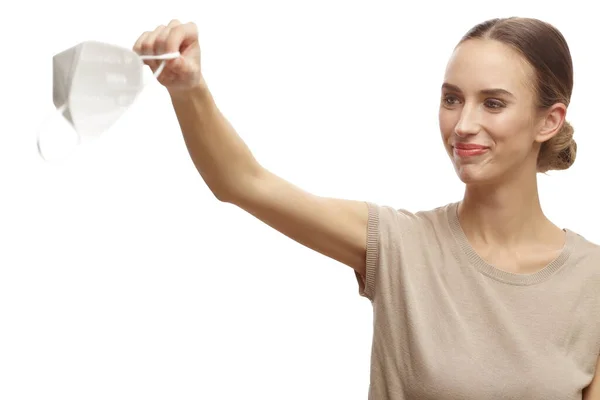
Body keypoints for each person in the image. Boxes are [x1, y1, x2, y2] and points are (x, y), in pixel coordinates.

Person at [133, 17, 600, 399]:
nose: (463, 124)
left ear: (549, 120)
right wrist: (188, 88)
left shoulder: (592, 281)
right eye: (451, 99)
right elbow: (241, 181)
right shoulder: (401, 246)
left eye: (493, 103)